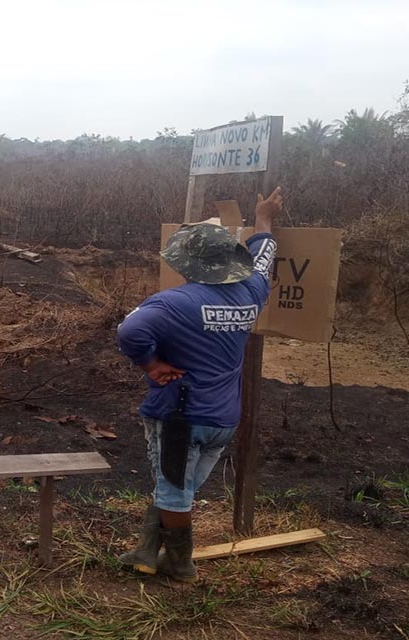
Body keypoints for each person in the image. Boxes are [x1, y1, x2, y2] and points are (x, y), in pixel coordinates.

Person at [116, 187, 284, 582]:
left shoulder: (175, 303)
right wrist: (265, 219)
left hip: (181, 415)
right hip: (223, 417)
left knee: (175, 488)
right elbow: (264, 258)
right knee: (180, 484)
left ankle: (180, 564)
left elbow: (129, 330)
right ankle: (144, 551)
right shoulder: (252, 291)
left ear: (188, 264)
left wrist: (152, 364)